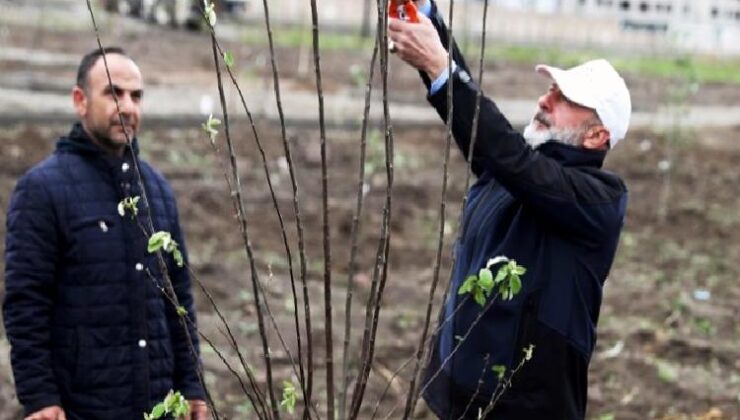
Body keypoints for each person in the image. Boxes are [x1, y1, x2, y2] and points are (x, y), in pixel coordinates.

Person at [389, 2, 631, 419]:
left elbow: (512, 159)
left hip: (522, 409)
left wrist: (440, 64)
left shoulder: (598, 199)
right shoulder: (514, 173)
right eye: (551, 89)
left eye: (564, 98)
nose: (544, 99)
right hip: (452, 394)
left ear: (597, 135)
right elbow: (487, 138)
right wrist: (428, 20)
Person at [3, 47, 208, 420]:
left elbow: (179, 298)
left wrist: (192, 385)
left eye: (136, 96)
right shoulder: (42, 190)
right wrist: (40, 396)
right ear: (80, 101)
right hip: (84, 407)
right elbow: (25, 304)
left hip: (156, 405)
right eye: (113, 93)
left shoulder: (157, 191)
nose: (127, 106)